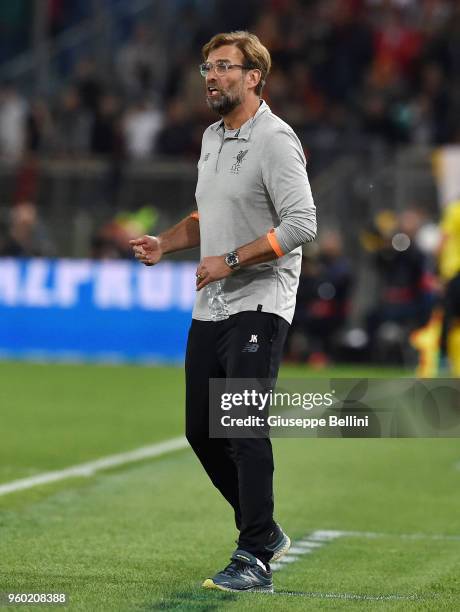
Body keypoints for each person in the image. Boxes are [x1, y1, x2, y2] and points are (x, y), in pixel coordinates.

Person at [130, 31, 316, 593]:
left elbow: (302, 224)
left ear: (254, 76)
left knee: (239, 424)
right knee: (199, 429)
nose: (211, 77)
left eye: (224, 67)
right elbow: (206, 215)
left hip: (261, 301)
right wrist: (165, 243)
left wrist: (231, 260)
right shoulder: (212, 137)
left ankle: (254, 555)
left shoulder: (277, 141)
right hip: (211, 303)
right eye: (207, 67)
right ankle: (264, 531)